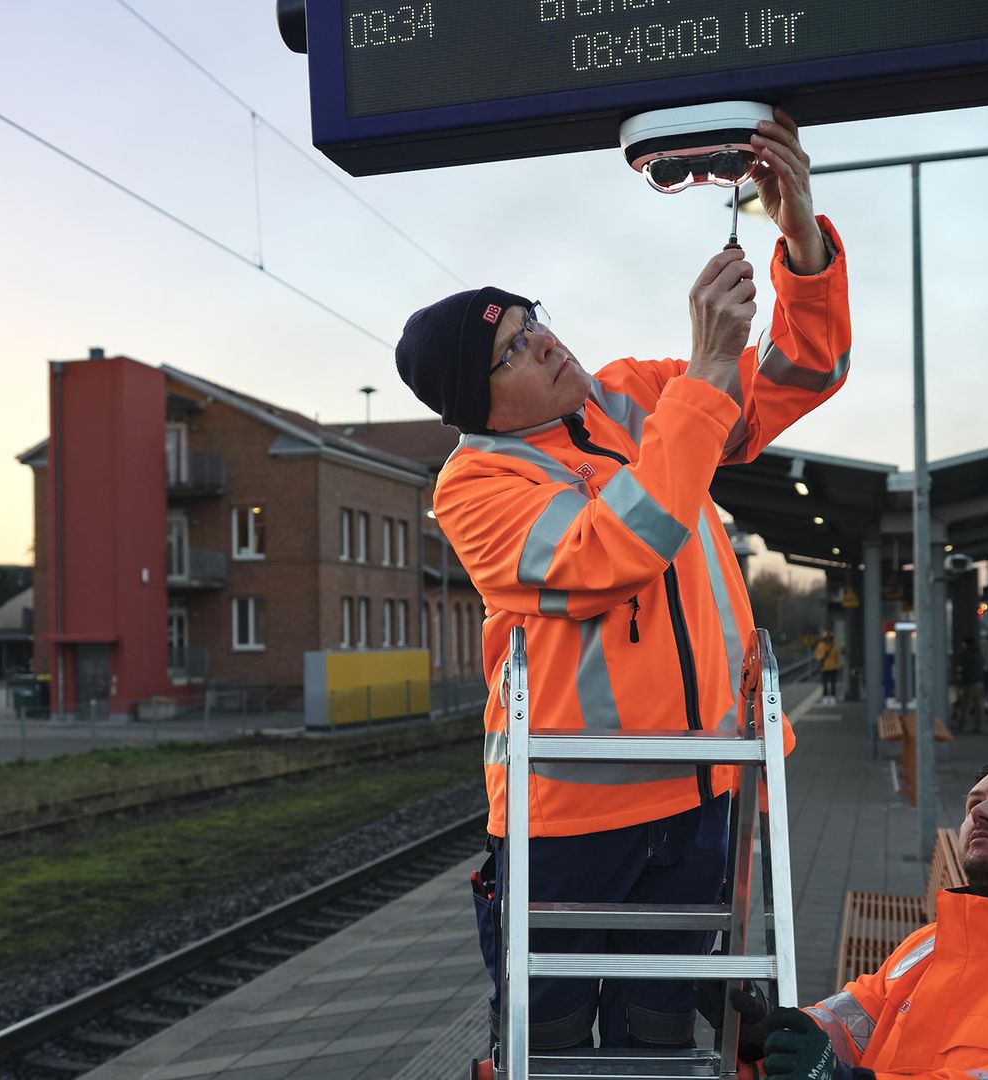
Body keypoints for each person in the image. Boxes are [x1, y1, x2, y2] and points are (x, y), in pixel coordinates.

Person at [402, 111, 851, 1053]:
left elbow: (803, 373)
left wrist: (800, 244)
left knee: (660, 1041)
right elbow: (618, 550)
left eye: (538, 325)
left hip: (703, 794)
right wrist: (706, 372)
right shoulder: (477, 486)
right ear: (474, 402)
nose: (548, 347)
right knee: (552, 1046)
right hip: (571, 814)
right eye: (514, 350)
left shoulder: (632, 398)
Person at [714, 754, 988, 1079]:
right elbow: (848, 1027)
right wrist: (762, 1033)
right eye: (973, 804)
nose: (981, 813)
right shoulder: (933, 941)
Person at [952, 635, 986, 734]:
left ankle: (961, 727)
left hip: (970, 684)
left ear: (967, 644)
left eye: (963, 643)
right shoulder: (979, 654)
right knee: (979, 706)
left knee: (965, 706)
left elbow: (966, 671)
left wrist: (962, 682)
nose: (962, 645)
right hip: (979, 682)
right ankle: (979, 728)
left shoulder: (967, 655)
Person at [813, 630, 842, 706]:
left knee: (832, 683)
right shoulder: (822, 646)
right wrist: (824, 654)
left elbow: (838, 657)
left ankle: (831, 697)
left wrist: (837, 665)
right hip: (826, 667)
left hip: (831, 667)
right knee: (826, 684)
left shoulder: (834, 646)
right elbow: (817, 656)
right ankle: (826, 697)